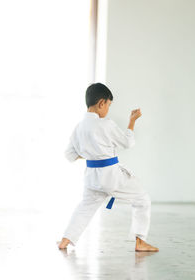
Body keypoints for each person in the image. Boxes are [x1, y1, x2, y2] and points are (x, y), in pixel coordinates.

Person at [58, 83, 158, 252]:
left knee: (85, 208)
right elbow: (128, 142)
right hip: (111, 177)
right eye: (109, 105)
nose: (108, 110)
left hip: (91, 178)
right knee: (142, 200)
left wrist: (91, 151)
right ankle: (140, 241)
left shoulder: (79, 127)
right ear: (102, 103)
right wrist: (132, 121)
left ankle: (65, 241)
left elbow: (70, 155)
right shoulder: (105, 124)